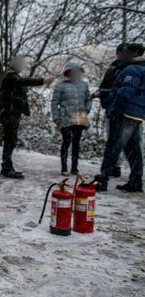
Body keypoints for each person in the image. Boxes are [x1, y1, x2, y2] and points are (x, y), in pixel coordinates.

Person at [95, 44, 145, 192]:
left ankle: (102, 180)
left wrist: (113, 110)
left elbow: (124, 93)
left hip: (125, 113)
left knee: (113, 146)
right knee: (133, 148)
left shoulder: (131, 70)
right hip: (137, 114)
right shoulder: (142, 68)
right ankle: (136, 180)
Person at [0, 56, 55, 179]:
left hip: (13, 113)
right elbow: (23, 82)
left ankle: (7, 167)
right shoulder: (11, 76)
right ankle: (7, 168)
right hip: (10, 113)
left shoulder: (14, 77)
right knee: (10, 141)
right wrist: (43, 81)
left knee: (11, 141)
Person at [92, 43, 128, 178]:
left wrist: (103, 93)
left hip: (121, 109)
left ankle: (109, 171)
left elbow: (117, 90)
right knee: (118, 141)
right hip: (114, 107)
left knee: (117, 141)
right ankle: (114, 168)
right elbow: (109, 86)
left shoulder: (125, 69)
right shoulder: (114, 68)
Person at [51, 63, 92, 176]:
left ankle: (74, 168)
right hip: (66, 117)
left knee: (76, 143)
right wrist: (56, 117)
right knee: (66, 141)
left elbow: (88, 99)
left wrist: (87, 109)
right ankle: (64, 167)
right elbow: (55, 102)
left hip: (80, 117)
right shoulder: (60, 86)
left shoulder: (84, 85)